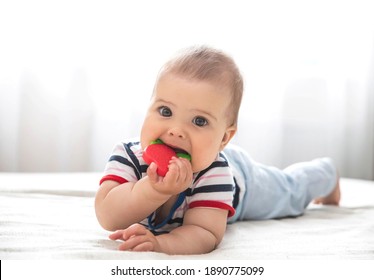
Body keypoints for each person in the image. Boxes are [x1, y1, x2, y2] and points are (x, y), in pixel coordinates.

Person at [94, 45, 340, 255]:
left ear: (224, 137)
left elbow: (205, 232)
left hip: (243, 183)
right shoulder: (129, 155)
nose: (176, 130)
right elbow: (108, 216)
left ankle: (325, 173)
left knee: (290, 192)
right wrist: (151, 190)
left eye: (199, 121)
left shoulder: (214, 173)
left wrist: (161, 243)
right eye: (165, 112)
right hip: (204, 153)